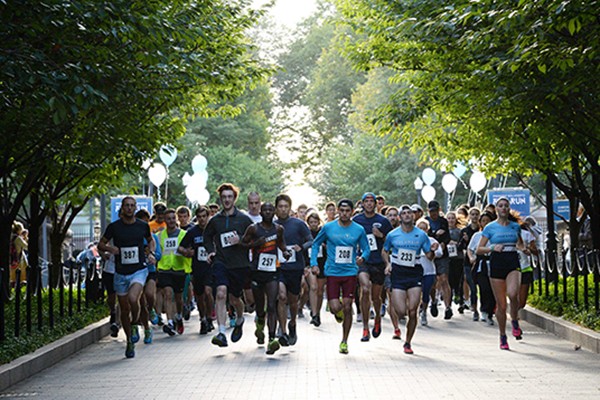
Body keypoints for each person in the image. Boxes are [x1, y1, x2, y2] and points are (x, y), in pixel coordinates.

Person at [310, 199, 370, 354]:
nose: (344, 213)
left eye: (347, 211)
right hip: (332, 272)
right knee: (336, 307)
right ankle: (337, 308)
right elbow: (316, 244)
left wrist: (362, 257)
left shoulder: (358, 229)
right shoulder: (329, 227)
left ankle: (344, 341)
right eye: (341, 210)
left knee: (348, 306)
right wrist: (314, 263)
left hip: (350, 272)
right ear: (337, 210)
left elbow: (366, 249)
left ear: (351, 211)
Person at [98, 196, 155, 358]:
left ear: (135, 207)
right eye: (126, 206)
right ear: (122, 208)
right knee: (124, 309)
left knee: (133, 298)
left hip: (138, 270)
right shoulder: (114, 227)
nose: (129, 208)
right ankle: (130, 341)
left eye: (132, 205)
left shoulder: (142, 226)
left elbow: (151, 241)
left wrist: (150, 252)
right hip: (120, 271)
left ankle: (136, 323)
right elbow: (100, 244)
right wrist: (110, 249)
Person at [203, 183, 253, 347]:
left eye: (229, 197)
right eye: (224, 197)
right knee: (221, 293)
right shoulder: (215, 220)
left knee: (235, 299)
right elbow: (207, 237)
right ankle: (221, 332)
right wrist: (210, 251)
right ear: (220, 198)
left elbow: (253, 241)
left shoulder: (244, 219)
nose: (226, 200)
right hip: (221, 261)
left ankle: (239, 318)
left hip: (239, 264)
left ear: (234, 198)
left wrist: (241, 241)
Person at [382, 205, 437, 355]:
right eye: (404, 213)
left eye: (409, 213)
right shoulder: (393, 235)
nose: (407, 215)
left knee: (413, 311)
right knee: (401, 311)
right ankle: (400, 313)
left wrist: (432, 249)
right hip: (398, 272)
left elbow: (429, 256)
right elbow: (385, 250)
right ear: (400, 217)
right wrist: (387, 264)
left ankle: (408, 342)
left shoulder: (421, 235)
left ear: (413, 217)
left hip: (414, 272)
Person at [477, 197, 528, 350]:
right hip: (497, 262)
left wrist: (522, 248)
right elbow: (479, 249)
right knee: (501, 305)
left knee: (513, 294)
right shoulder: (490, 228)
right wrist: (492, 248)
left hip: (512, 261)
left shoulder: (515, 227)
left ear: (508, 208)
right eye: (500, 206)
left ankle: (514, 321)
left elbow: (519, 243)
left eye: (506, 206)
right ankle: (502, 336)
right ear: (497, 209)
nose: (504, 208)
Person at [241, 202, 291, 355]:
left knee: (271, 305)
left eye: (271, 210)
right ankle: (260, 323)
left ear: (274, 212)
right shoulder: (254, 228)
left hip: (272, 271)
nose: (268, 212)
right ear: (261, 213)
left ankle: (271, 339)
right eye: (265, 210)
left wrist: (286, 252)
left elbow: (281, 244)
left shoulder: (278, 229)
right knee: (260, 307)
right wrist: (256, 243)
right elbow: (243, 244)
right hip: (257, 271)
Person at [352, 192, 393, 342]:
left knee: (376, 297)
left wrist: (381, 235)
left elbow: (391, 241)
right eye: (366, 201)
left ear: (375, 204)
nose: (369, 204)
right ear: (362, 203)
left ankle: (377, 319)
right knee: (365, 289)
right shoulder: (356, 220)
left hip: (378, 261)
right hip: (363, 261)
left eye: (371, 201)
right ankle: (365, 327)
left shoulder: (383, 221)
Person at [274, 194, 313, 346]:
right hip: (279, 268)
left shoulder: (298, 224)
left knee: (293, 300)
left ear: (290, 208)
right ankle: (282, 331)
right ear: (276, 208)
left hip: (295, 267)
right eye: (280, 206)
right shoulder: (273, 225)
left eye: (286, 206)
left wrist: (301, 247)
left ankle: (293, 323)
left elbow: (311, 240)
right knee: (281, 297)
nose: (283, 209)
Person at [154, 209, 192, 336]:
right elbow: (158, 252)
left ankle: (179, 316)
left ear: (176, 219)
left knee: (179, 298)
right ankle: (170, 322)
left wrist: (187, 253)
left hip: (179, 270)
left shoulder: (184, 234)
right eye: (168, 218)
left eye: (172, 218)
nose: (170, 221)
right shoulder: (160, 236)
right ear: (165, 220)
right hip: (165, 269)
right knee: (168, 294)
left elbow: (189, 250)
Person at [179, 206, 215, 334]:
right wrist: (187, 252)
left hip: (211, 267)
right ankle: (203, 319)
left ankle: (210, 317)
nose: (202, 219)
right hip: (197, 268)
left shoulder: (213, 230)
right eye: (199, 217)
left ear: (208, 216)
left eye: (204, 216)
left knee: (208, 292)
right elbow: (180, 248)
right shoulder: (192, 232)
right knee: (199, 296)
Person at [426, 200, 453, 320]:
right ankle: (434, 300)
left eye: (436, 211)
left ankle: (448, 307)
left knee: (444, 278)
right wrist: (435, 235)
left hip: (442, 254)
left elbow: (447, 236)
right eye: (432, 211)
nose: (434, 214)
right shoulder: (425, 221)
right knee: (432, 281)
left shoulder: (443, 221)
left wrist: (442, 243)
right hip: (430, 254)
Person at [468, 211, 496, 326]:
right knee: (483, 288)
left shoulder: (495, 234)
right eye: (483, 221)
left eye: (488, 221)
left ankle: (490, 311)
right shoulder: (477, 236)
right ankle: (484, 310)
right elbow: (470, 249)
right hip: (481, 264)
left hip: (494, 263)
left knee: (493, 289)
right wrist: (471, 257)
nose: (485, 223)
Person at [415, 218, 443, 327]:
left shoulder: (431, 240)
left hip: (429, 271)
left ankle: (424, 312)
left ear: (428, 229)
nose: (422, 230)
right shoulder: (413, 239)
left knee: (426, 291)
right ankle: (417, 310)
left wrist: (434, 250)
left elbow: (440, 253)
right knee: (416, 293)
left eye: (424, 228)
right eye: (419, 228)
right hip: (416, 270)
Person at [458, 207, 481, 319]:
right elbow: (459, 246)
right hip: (468, 261)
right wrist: (465, 241)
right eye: (472, 214)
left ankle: (483, 308)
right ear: (469, 216)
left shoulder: (482, 231)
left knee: (481, 285)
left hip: (481, 260)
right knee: (472, 286)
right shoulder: (464, 231)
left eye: (477, 214)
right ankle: (474, 308)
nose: (475, 216)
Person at [306, 211, 327, 327]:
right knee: (313, 287)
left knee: (319, 291)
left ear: (319, 222)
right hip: (310, 264)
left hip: (322, 263)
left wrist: (325, 246)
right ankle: (314, 314)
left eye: (315, 222)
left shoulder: (323, 233)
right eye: (311, 222)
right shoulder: (306, 233)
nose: (313, 224)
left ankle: (317, 313)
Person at [9, 221, 28, 288]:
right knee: (21, 281)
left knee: (12, 281)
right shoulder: (18, 239)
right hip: (18, 262)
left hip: (11, 262)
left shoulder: (10, 237)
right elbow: (27, 247)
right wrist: (25, 238)